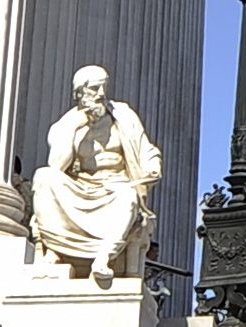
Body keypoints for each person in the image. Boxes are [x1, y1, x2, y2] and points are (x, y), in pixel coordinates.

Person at [29, 64, 161, 278]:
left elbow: (146, 148)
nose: (101, 94)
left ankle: (104, 257)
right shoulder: (67, 124)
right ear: (79, 92)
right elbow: (57, 165)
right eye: (94, 89)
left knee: (127, 196)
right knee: (44, 177)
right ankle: (55, 249)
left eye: (103, 88)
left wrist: (153, 166)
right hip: (81, 185)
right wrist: (77, 125)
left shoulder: (123, 116)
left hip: (116, 185)